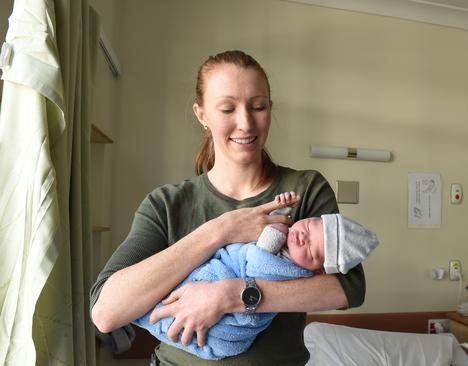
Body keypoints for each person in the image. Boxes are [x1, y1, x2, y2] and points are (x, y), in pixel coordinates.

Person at [89, 50, 367, 365]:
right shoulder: (166, 204)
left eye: (258, 106)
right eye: (227, 108)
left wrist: (234, 296)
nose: (246, 123)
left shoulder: (305, 189)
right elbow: (105, 312)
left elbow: (349, 288)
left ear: (270, 110)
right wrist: (221, 230)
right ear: (202, 115)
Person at [133, 192, 379, 360]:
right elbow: (103, 308)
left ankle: (143, 314)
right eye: (310, 225)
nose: (303, 236)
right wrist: (283, 210)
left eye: (313, 249)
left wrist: (227, 294)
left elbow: (260, 257)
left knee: (164, 310)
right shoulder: (162, 202)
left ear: (319, 270)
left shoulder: (288, 269)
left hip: (234, 319)